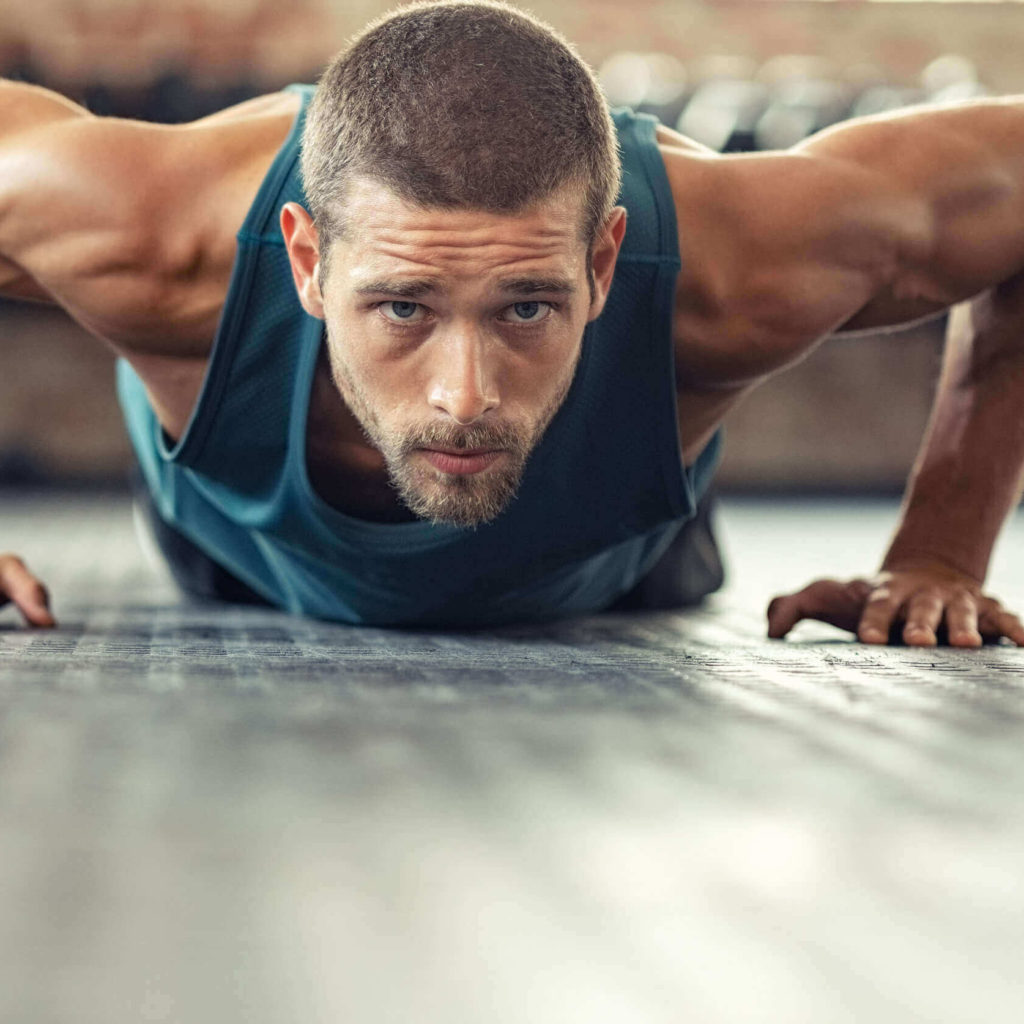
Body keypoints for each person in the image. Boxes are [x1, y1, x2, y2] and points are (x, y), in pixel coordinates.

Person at [1, 0, 1023, 646]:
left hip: (610, 571)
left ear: (605, 259)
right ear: (308, 261)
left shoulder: (742, 262)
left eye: (526, 305)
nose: (466, 395)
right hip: (231, 546)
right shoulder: (152, 233)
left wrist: (938, 555)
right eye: (403, 305)